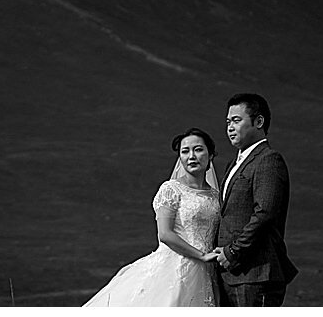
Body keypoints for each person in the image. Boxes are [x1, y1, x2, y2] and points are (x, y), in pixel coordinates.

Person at [84, 128, 223, 306]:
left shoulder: (215, 195)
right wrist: (201, 255)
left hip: (207, 271)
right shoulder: (171, 189)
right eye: (185, 151)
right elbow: (165, 234)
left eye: (198, 149)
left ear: (210, 154)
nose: (191, 156)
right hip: (176, 267)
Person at [213, 93, 298, 306]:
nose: (230, 127)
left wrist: (232, 251)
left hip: (257, 274)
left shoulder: (268, 160)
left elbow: (264, 214)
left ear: (258, 122)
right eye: (227, 122)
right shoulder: (232, 164)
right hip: (230, 275)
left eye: (236, 120)